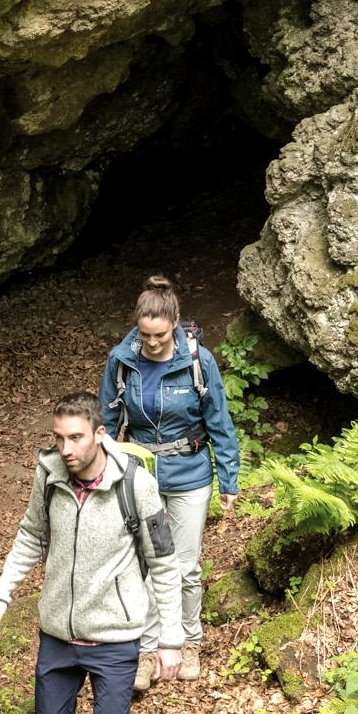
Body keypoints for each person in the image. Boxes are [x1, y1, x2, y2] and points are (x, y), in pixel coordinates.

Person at [0, 391, 180, 714]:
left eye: (75, 438)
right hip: (58, 634)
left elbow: (163, 562)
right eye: (59, 438)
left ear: (99, 434)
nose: (66, 449)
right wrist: (3, 591)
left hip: (115, 638)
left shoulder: (136, 485)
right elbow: (31, 534)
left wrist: (170, 638)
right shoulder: (49, 475)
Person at [101, 276, 240, 682]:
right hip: (141, 475)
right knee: (143, 564)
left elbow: (219, 421)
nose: (152, 342)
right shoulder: (121, 360)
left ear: (176, 323)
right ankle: (146, 650)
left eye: (160, 335)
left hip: (191, 474)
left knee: (185, 566)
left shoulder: (199, 361)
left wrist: (228, 478)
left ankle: (187, 641)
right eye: (145, 334)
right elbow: (106, 422)